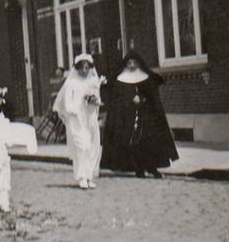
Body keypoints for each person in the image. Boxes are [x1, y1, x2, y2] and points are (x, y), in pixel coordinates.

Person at [101, 51, 179, 178]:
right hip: (127, 117)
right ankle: (138, 168)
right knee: (132, 143)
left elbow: (153, 95)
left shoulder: (146, 77)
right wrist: (130, 99)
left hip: (147, 117)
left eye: (134, 62)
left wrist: (142, 98)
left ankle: (152, 167)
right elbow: (116, 97)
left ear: (139, 63)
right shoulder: (119, 79)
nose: (131, 65)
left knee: (150, 142)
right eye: (129, 63)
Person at [53, 53, 105, 189]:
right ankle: (81, 176)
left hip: (89, 118)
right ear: (77, 68)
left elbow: (98, 99)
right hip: (76, 119)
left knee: (92, 147)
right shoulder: (71, 83)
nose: (84, 70)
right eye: (82, 68)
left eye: (87, 68)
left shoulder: (93, 81)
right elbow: (67, 102)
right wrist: (73, 111)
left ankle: (89, 176)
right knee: (82, 146)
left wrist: (94, 100)